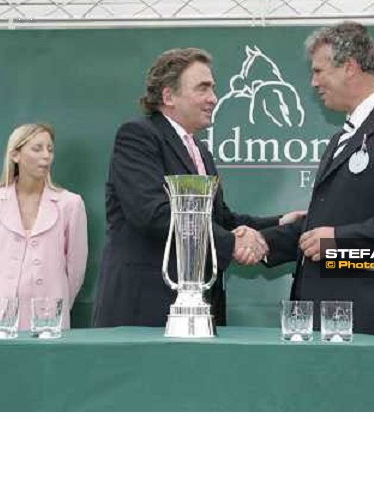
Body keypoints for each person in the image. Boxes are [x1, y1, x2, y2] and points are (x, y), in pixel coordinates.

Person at [253, 21, 374, 411]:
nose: (313, 82)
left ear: (351, 67)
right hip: (334, 327)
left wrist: (342, 239)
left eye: (318, 70)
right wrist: (263, 240)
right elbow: (326, 225)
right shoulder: (343, 135)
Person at [93, 47, 304, 328]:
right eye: (203, 89)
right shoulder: (138, 137)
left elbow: (220, 219)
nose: (213, 99)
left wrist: (276, 223)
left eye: (213, 89)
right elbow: (154, 214)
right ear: (169, 96)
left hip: (198, 309)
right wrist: (234, 243)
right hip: (145, 307)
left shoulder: (200, 150)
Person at [0, 123, 88, 332]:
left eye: (50, 149)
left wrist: (56, 303)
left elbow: (75, 269)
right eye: (37, 149)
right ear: (15, 155)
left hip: (48, 322)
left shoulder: (70, 204)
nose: (46, 156)